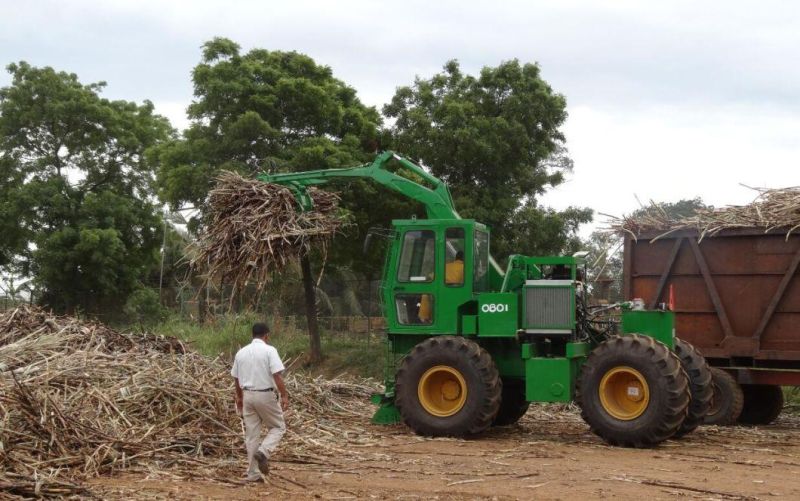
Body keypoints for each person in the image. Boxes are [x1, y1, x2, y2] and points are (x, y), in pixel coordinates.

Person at [231, 323, 289, 482]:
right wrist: (284, 395)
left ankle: (253, 474)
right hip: (265, 394)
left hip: (247, 394)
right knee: (278, 427)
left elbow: (236, 378)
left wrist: (240, 398)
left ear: (253, 334)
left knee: (251, 435)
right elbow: (277, 376)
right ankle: (264, 451)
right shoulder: (270, 350)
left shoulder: (241, 353)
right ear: (266, 335)